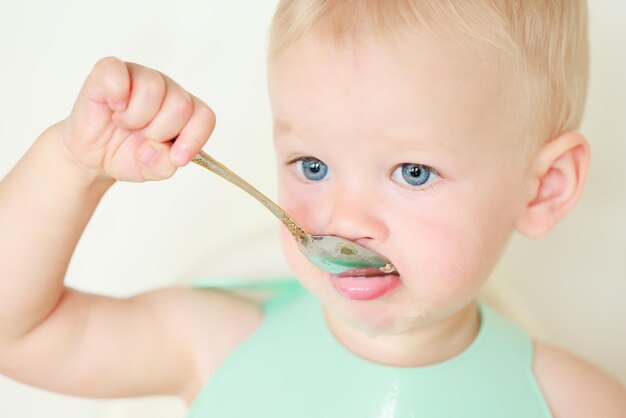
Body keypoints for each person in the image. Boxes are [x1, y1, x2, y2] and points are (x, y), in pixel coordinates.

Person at [0, 0, 625, 416]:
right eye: (313, 166)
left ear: (542, 189)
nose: (342, 219)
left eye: (413, 172)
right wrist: (70, 164)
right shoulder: (215, 339)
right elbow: (18, 334)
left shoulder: (574, 403)